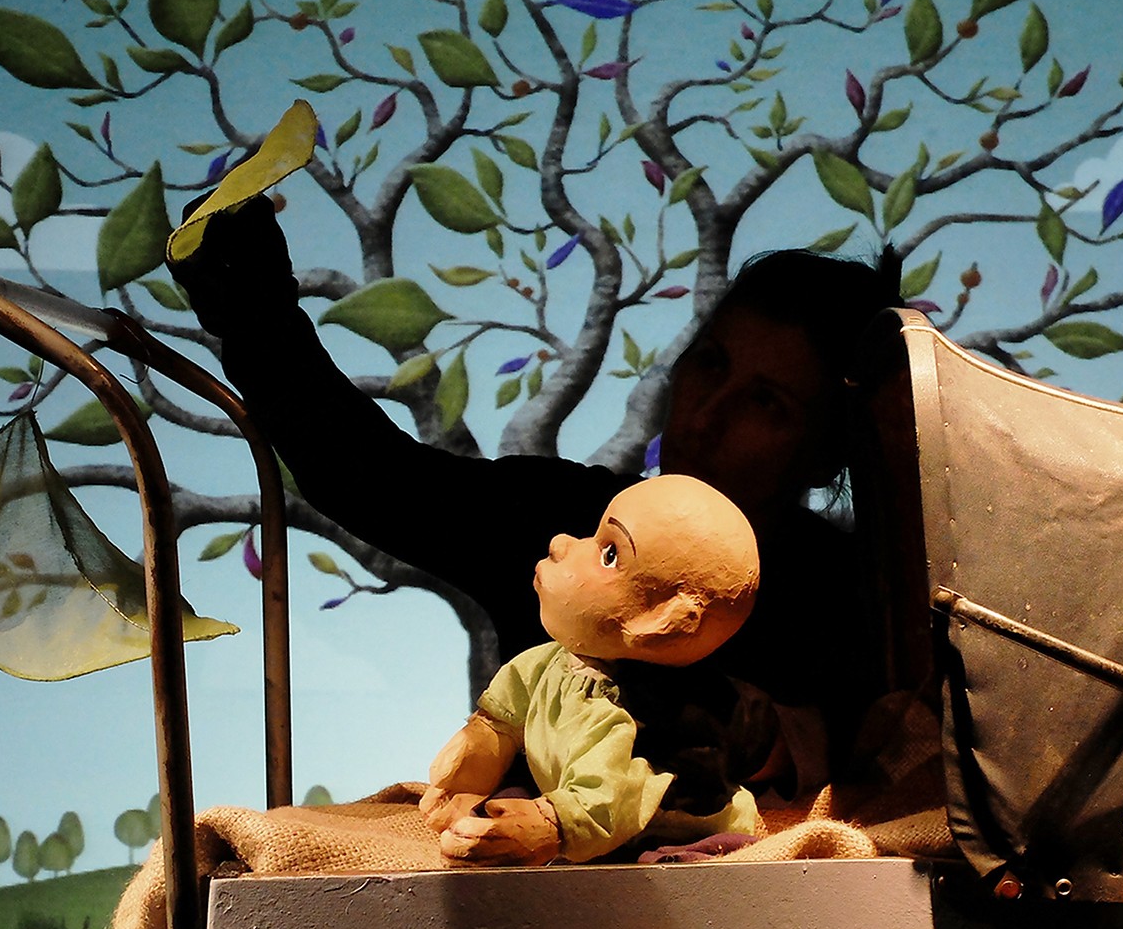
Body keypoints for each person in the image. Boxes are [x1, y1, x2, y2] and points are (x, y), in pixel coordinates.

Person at [171, 197, 902, 787]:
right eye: (709, 363)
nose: (706, 415)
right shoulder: (565, 520)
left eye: (766, 403)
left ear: (827, 453)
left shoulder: (867, 603)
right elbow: (370, 476)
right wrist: (256, 312)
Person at [422, 473, 764, 866]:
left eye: (610, 554)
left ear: (659, 621)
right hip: (558, 787)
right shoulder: (553, 661)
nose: (561, 542)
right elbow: (506, 712)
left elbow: (607, 801)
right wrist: (471, 767)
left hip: (651, 827)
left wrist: (549, 825)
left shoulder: (631, 718)